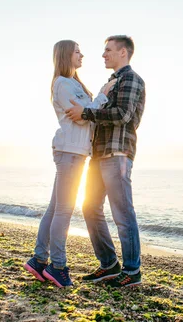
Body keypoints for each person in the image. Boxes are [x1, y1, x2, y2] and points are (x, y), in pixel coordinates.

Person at [23, 40, 115, 288]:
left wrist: (91, 105)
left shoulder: (74, 84)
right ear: (66, 55)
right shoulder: (62, 84)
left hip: (75, 151)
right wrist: (103, 96)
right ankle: (58, 266)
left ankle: (39, 260)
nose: (82, 54)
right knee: (64, 210)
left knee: (55, 209)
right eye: (77, 51)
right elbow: (84, 116)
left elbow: (85, 112)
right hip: (69, 152)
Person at [65, 35, 146, 288]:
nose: (103, 55)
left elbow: (122, 114)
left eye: (108, 50)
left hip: (118, 154)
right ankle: (109, 265)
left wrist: (86, 112)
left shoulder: (131, 79)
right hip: (99, 154)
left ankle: (132, 270)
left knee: (123, 213)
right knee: (89, 207)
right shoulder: (111, 82)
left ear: (123, 52)